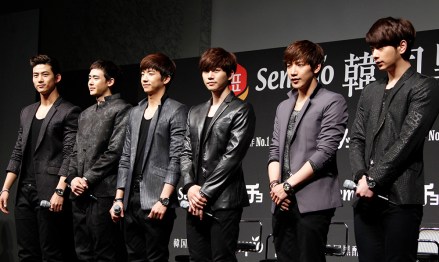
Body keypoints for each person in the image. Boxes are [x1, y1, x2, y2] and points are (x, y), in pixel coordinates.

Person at [349, 17, 439, 262]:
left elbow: (407, 142)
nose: (374, 54)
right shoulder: (370, 90)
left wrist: (374, 180)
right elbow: (356, 138)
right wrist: (360, 176)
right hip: (365, 201)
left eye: (380, 47)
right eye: (371, 49)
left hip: (400, 200)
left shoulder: (424, 87)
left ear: (401, 46)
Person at [268, 40, 348, 262]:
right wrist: (275, 186)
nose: (292, 71)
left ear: (316, 67)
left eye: (300, 64)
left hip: (312, 200)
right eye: (288, 65)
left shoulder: (332, 101)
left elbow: (325, 153)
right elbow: (274, 150)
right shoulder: (283, 106)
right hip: (281, 200)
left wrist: (287, 186)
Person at [0, 54, 80, 261]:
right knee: (26, 253)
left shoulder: (68, 111)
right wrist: (6, 188)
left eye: (45, 74)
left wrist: (60, 190)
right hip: (24, 192)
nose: (40, 80)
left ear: (58, 78)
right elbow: (18, 150)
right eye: (36, 75)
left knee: (51, 253)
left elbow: (70, 154)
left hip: (50, 190)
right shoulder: (26, 112)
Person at [110, 53, 188, 262]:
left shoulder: (176, 110)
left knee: (156, 257)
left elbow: (176, 158)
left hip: (156, 199)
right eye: (142, 73)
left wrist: (164, 199)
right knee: (134, 257)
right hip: (130, 200)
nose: (144, 78)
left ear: (166, 78)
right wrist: (119, 198)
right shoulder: (134, 113)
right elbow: (125, 157)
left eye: (151, 73)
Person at [180, 47, 256, 262]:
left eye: (216, 70)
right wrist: (190, 187)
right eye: (206, 71)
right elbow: (185, 152)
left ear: (231, 74)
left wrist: (204, 194)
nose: (210, 76)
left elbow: (232, 157)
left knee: (222, 258)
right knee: (197, 258)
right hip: (194, 199)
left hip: (224, 200)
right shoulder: (195, 111)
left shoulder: (241, 110)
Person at [65, 59, 131, 261]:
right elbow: (74, 151)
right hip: (79, 194)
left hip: (104, 193)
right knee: (82, 252)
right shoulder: (84, 114)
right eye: (89, 78)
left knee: (105, 252)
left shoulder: (123, 109)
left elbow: (115, 152)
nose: (90, 82)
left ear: (110, 81)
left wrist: (86, 179)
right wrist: (73, 178)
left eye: (95, 78)